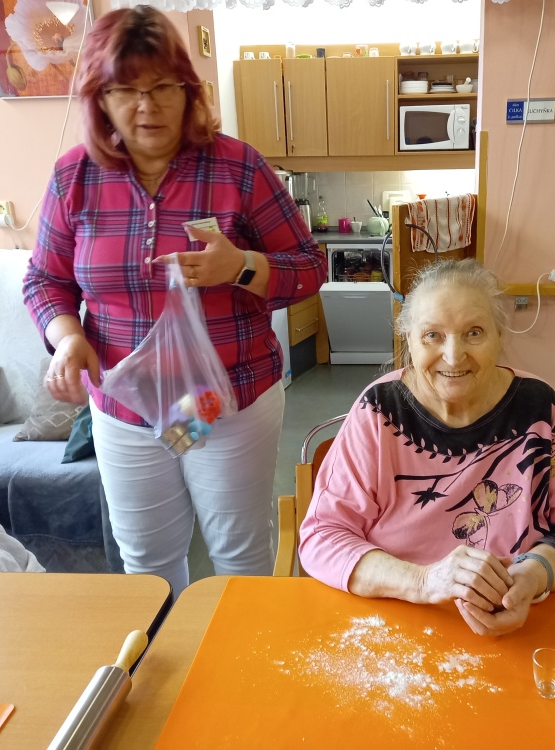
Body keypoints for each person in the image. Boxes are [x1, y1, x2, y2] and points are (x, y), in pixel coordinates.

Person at [23, 6, 327, 598]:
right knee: (147, 563)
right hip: (126, 409)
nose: (147, 106)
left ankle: (236, 656)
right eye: (125, 90)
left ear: (188, 90)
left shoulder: (237, 168)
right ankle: (165, 656)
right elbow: (44, 280)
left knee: (238, 556)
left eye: (163, 86)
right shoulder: (73, 178)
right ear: (100, 99)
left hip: (224, 400)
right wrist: (67, 338)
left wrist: (241, 266)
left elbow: (311, 267)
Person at [299, 259, 555, 636]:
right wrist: (424, 582)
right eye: (432, 335)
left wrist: (530, 578)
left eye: (474, 332)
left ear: (499, 336)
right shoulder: (379, 412)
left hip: (512, 621)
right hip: (390, 622)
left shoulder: (538, 409)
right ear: (408, 339)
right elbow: (322, 537)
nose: (454, 356)